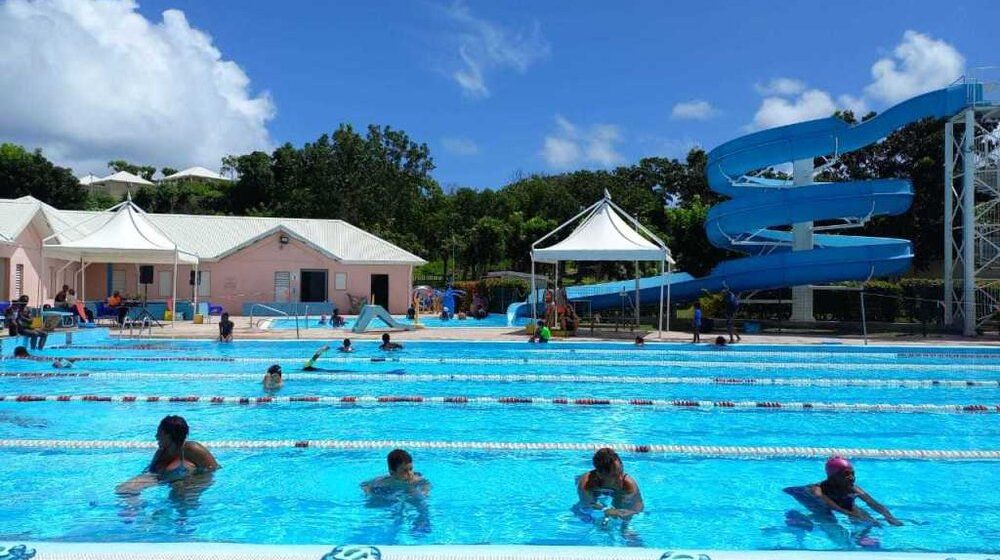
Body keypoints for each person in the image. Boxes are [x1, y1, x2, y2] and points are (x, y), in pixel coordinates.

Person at [783, 456, 902, 548]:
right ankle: (802, 520)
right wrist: (850, 514)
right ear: (833, 476)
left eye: (852, 474)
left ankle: (860, 536)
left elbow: (872, 503)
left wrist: (889, 517)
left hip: (834, 499)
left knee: (862, 514)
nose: (851, 477)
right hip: (809, 497)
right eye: (846, 474)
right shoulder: (816, 489)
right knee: (828, 518)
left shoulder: (853, 488)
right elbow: (830, 504)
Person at [116, 415, 220, 494]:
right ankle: (133, 514)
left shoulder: (192, 449)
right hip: (164, 478)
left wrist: (193, 481)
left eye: (159, 433)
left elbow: (214, 469)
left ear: (168, 435)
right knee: (124, 489)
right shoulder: (162, 452)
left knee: (179, 490)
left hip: (190, 482)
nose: (156, 436)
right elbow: (151, 472)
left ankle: (183, 519)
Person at [576, 447, 644, 521]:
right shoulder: (587, 484)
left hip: (615, 491)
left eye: (621, 472)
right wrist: (605, 509)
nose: (620, 478)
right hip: (596, 489)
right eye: (614, 475)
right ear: (600, 475)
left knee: (621, 504)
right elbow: (587, 504)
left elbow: (638, 506)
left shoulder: (627, 483)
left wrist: (627, 512)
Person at [362, 448, 430, 496]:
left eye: (411, 469)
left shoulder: (415, 479)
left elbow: (426, 484)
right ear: (392, 473)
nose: (410, 474)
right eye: (404, 471)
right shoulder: (385, 481)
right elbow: (365, 485)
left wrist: (424, 492)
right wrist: (369, 493)